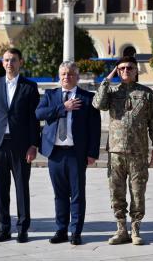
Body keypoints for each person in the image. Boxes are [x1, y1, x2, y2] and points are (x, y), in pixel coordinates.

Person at [93, 56, 153, 246]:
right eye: (121, 68)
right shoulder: (112, 92)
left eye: (129, 68)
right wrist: (107, 80)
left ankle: (136, 228)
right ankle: (121, 228)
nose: (125, 71)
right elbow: (97, 104)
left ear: (136, 70)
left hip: (138, 152)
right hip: (115, 152)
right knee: (116, 191)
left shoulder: (146, 93)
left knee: (138, 192)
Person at [36, 61, 101, 245]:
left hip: (76, 153)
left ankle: (76, 232)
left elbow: (94, 129)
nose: (67, 77)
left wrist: (92, 153)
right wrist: (63, 107)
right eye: (63, 74)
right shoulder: (51, 95)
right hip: (55, 152)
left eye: (71, 74)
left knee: (77, 194)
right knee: (60, 194)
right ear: (59, 76)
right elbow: (39, 114)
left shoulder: (87, 98)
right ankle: (61, 230)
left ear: (77, 77)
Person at [0, 48, 40, 243]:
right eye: (6, 60)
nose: (9, 63)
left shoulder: (30, 87)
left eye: (13, 60)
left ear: (20, 62)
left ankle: (23, 228)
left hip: (21, 146)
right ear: (2, 63)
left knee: (22, 188)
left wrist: (33, 145)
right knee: (0, 188)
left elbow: (34, 120)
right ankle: (4, 228)